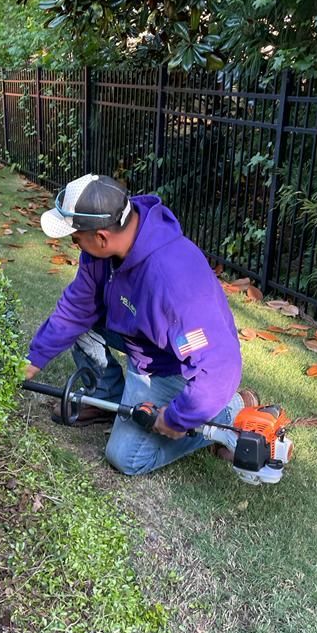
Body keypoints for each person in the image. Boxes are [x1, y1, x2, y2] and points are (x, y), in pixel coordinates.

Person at [24, 173, 252, 476]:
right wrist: (32, 360)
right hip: (138, 340)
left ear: (102, 237)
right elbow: (76, 310)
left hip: (167, 366)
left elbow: (220, 366)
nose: (75, 245)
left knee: (126, 457)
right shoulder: (101, 255)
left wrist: (175, 420)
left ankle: (228, 412)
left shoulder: (173, 282)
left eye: (76, 239)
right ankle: (106, 398)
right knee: (81, 326)